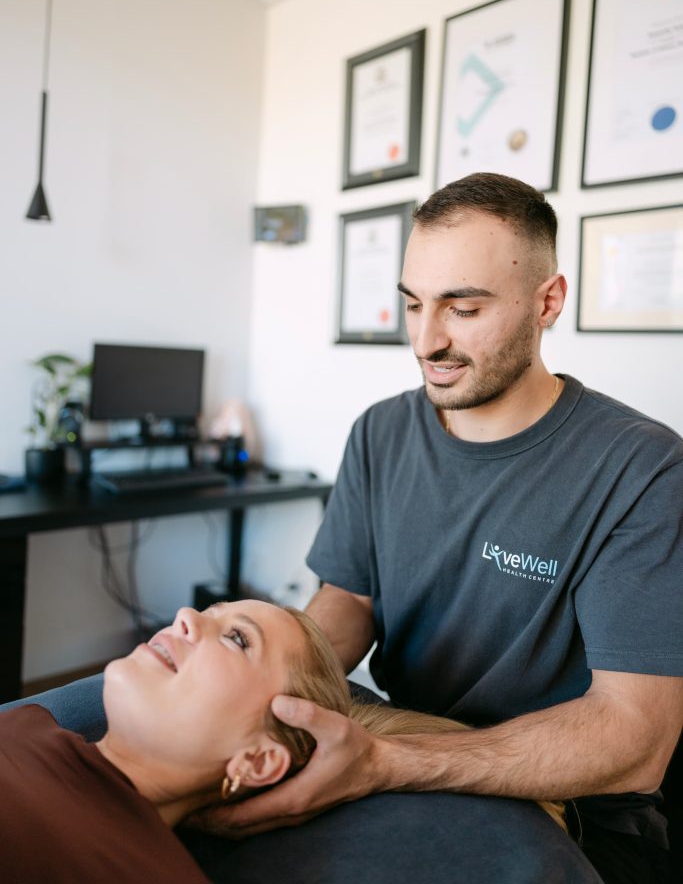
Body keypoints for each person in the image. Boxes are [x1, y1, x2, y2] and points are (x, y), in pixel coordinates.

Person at [208, 173, 683, 884]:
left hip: (567, 805)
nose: (427, 340)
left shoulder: (640, 467)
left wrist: (388, 765)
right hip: (401, 734)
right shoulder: (381, 431)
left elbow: (633, 736)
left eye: (462, 308)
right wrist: (260, 689)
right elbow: (349, 600)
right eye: (412, 305)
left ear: (546, 301)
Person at [1, 597, 576, 884]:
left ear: (257, 761)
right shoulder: (32, 724)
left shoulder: (131, 868)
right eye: (207, 611)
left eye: (235, 639)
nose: (184, 615)